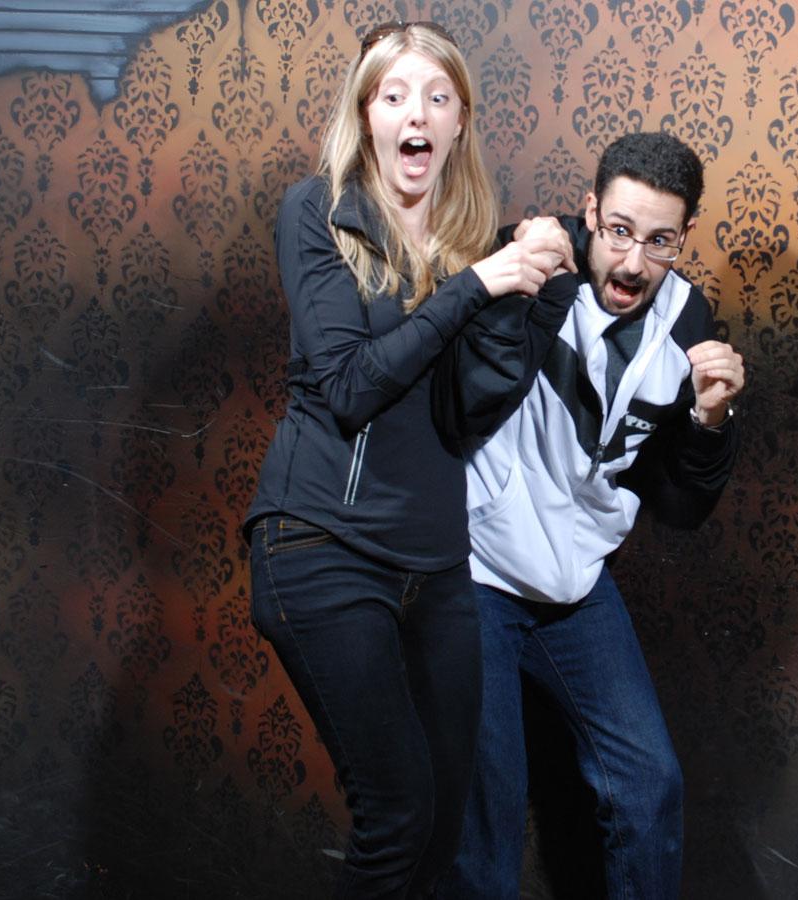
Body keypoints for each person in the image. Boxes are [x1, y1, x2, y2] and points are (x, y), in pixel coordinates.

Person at [244, 21, 574, 899]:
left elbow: (465, 417)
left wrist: (533, 299)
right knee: (395, 818)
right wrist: (476, 287)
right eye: (394, 96)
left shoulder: (471, 243)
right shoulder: (319, 212)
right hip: (321, 547)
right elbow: (351, 386)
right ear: (367, 115)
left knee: (442, 828)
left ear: (460, 122)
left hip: (435, 567)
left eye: (436, 97)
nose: (415, 115)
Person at [432, 131, 746, 899]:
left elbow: (680, 508)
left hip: (575, 587)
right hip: (475, 568)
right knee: (488, 816)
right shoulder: (531, 260)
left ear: (685, 236)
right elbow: (458, 402)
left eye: (659, 241)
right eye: (619, 231)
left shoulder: (688, 321)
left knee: (649, 786)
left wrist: (709, 423)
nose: (633, 263)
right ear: (591, 213)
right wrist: (529, 277)